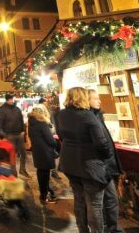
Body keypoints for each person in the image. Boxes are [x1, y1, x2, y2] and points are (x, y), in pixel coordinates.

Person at [58, 87, 111, 233]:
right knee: (94, 204)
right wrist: (106, 156)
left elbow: (61, 135)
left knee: (79, 200)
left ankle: (82, 230)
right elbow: (101, 143)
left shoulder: (61, 114)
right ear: (83, 98)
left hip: (69, 164)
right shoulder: (87, 115)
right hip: (89, 165)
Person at [88, 89, 124, 233]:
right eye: (95, 98)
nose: (100, 100)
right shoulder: (89, 118)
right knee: (98, 203)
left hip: (106, 165)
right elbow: (99, 143)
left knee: (111, 200)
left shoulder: (98, 116)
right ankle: (102, 229)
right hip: (99, 166)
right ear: (87, 100)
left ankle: (113, 228)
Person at [28, 104, 58, 204]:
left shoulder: (31, 123)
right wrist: (55, 141)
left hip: (38, 152)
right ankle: (44, 197)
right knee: (44, 176)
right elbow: (50, 141)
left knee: (41, 173)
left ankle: (46, 193)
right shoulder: (42, 124)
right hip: (45, 152)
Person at [0, 93, 29, 177]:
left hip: (19, 134)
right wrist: (4, 135)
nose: (11, 100)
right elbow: (0, 124)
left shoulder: (17, 109)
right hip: (9, 135)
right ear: (7, 100)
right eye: (10, 99)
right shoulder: (3, 110)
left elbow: (21, 120)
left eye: (12, 99)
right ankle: (14, 173)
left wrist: (23, 130)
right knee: (12, 155)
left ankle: (22, 169)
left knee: (24, 153)